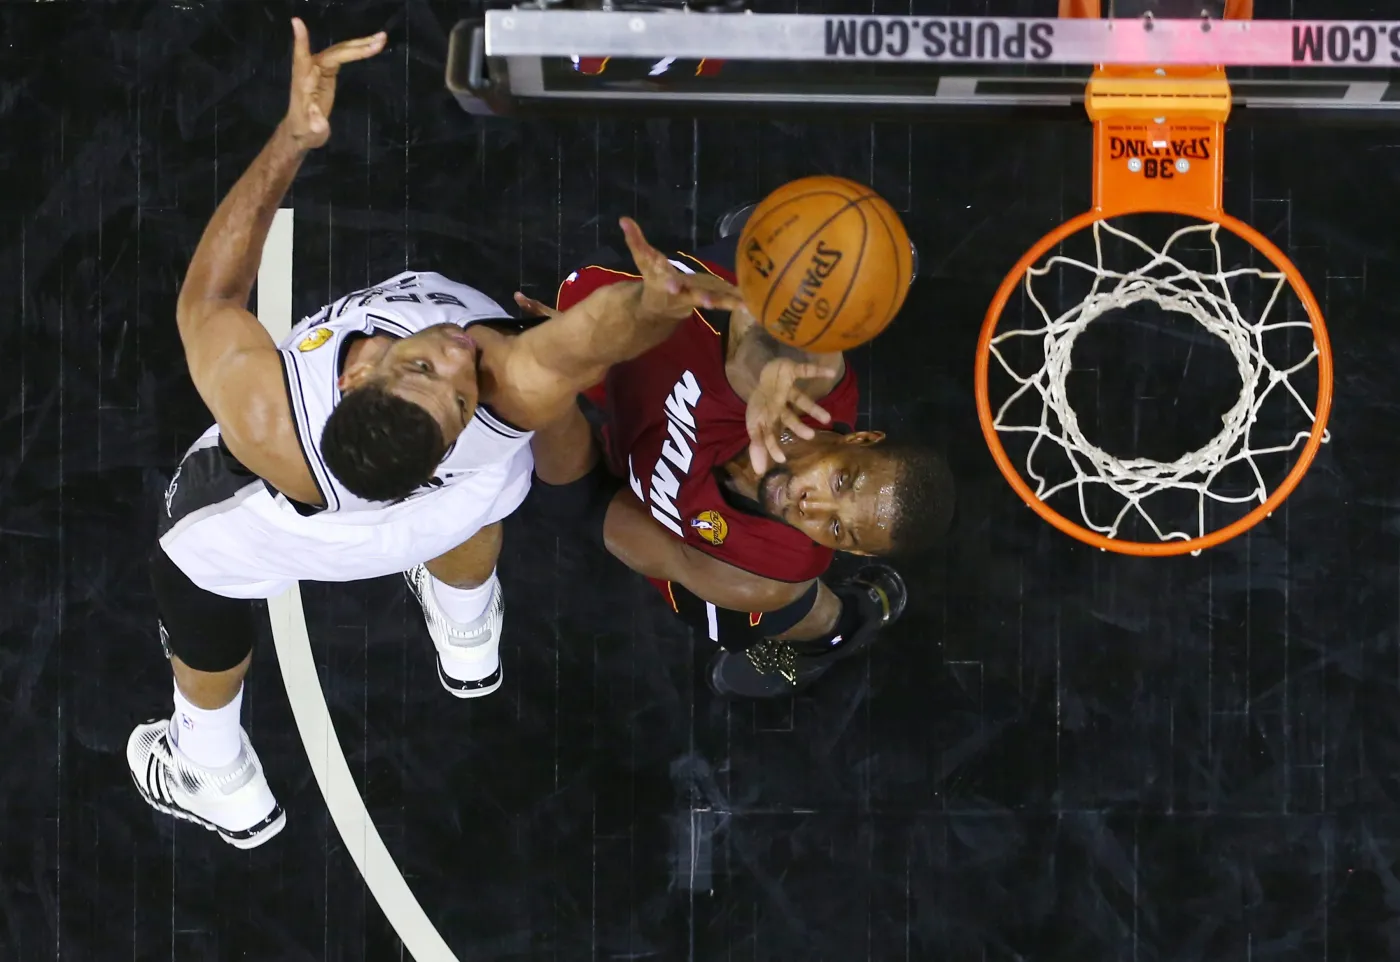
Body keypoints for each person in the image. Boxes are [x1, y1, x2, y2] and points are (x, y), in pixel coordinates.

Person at [128, 20, 743, 849]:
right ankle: (463, 629)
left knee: (195, 564)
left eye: (438, 385)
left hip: (310, 527)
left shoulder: (266, 414)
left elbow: (209, 296)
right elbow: (583, 338)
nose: (458, 363)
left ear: (357, 377)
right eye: (450, 390)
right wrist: (649, 305)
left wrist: (293, 138)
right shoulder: (498, 398)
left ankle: (212, 768)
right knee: (473, 495)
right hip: (454, 510)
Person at [521, 226, 955, 699]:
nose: (812, 506)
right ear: (863, 438)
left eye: (837, 531)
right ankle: (809, 270)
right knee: (779, 278)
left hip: (630, 417)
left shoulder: (758, 577)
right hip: (685, 312)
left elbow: (589, 507)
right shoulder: (807, 381)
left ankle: (841, 628)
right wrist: (774, 348)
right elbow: (768, 352)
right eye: (842, 480)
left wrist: (548, 382)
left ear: (852, 552)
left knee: (748, 618)